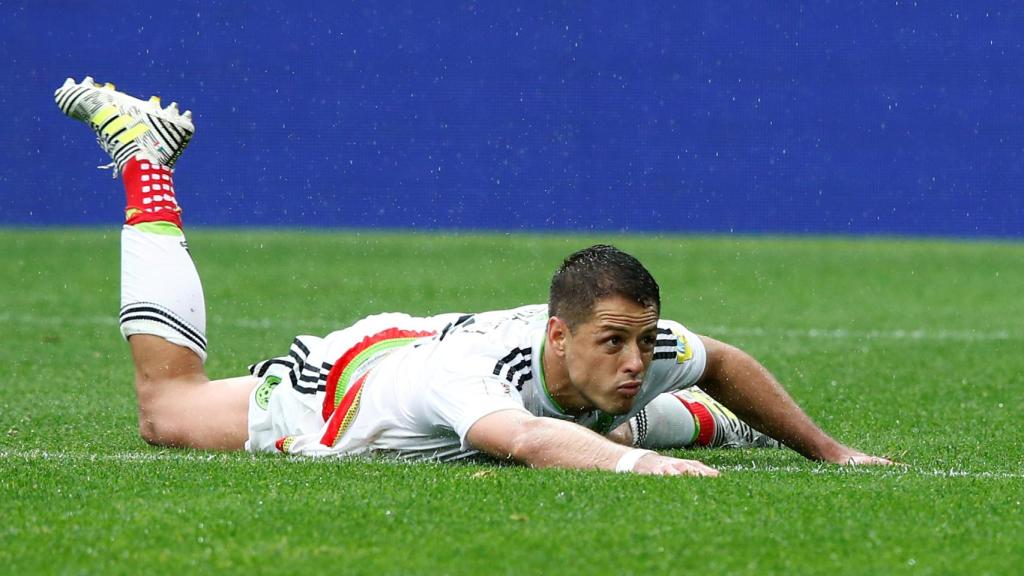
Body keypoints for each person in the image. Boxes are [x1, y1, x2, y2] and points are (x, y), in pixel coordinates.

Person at [54, 77, 893, 477]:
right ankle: (143, 159)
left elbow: (725, 359)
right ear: (560, 335)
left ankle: (701, 430)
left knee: (615, 415)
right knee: (167, 410)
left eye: (643, 341)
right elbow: (524, 440)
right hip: (345, 386)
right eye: (616, 343)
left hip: (438, 340)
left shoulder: (627, 341)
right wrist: (644, 471)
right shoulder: (474, 381)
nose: (639, 358)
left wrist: (830, 452)